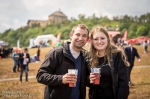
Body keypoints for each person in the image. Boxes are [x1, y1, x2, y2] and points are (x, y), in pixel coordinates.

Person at [36, 24, 89, 99]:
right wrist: (61, 79)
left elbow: (84, 80)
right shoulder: (56, 53)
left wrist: (91, 79)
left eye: (84, 36)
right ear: (71, 35)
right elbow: (40, 76)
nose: (80, 38)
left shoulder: (85, 56)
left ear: (87, 38)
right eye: (77, 34)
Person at [87, 26, 129, 99]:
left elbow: (123, 83)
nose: (99, 41)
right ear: (92, 41)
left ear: (108, 39)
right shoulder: (89, 58)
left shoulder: (117, 56)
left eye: (102, 38)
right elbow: (86, 82)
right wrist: (89, 79)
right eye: (96, 39)